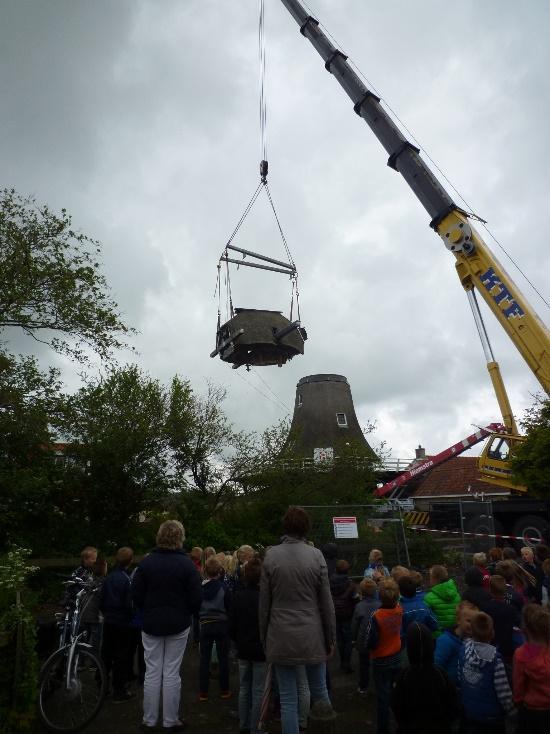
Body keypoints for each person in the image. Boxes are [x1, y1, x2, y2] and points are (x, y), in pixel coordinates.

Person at [259, 506, 335, 734]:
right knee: (320, 690)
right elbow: (327, 603)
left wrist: (265, 639)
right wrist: (330, 637)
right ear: (306, 528)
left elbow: (264, 606)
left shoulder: (271, 555)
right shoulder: (316, 555)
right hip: (312, 635)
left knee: (289, 699)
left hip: (280, 635)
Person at [131, 520, 202, 732]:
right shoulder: (188, 565)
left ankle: (149, 720)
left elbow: (136, 595)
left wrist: (147, 611)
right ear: (180, 538)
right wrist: (187, 612)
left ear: (159, 536)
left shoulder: (146, 563)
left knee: (152, 671)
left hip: (151, 623)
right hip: (178, 624)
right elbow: (197, 598)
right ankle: (171, 720)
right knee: (171, 672)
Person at [391, 622, 459, 734]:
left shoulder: (404, 675)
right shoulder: (440, 673)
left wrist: (404, 725)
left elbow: (396, 705)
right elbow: (453, 704)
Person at [458, 611, 515, 734]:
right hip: (491, 718)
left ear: (471, 631)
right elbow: (503, 693)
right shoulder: (495, 660)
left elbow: (460, 676)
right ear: (492, 633)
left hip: (469, 712)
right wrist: (513, 713)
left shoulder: (463, 649)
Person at [360, 578, 403, 734]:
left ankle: (383, 729)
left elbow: (370, 640)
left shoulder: (376, 615)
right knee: (396, 691)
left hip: (381, 659)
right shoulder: (399, 609)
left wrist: (366, 647)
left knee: (382, 696)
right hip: (397, 656)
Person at [228, 558, 267, 734]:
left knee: (244, 687)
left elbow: (232, 624)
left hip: (243, 648)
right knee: (258, 689)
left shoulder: (238, 596)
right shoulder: (265, 599)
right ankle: (255, 728)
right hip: (260, 649)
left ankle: (244, 724)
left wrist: (237, 641)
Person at [100, 546, 135, 703]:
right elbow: (129, 604)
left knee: (106, 653)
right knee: (121, 656)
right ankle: (119, 690)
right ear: (130, 561)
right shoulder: (126, 580)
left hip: (109, 621)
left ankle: (101, 684)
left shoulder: (108, 577)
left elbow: (102, 600)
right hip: (122, 622)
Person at [198, 556, 232, 702]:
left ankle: (203, 692)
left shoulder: (200, 588)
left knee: (204, 659)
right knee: (223, 658)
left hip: (205, 624)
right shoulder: (224, 588)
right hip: (222, 624)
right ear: (220, 571)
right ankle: (224, 689)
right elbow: (230, 606)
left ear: (205, 571)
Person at [513, 604, 550, 733]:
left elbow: (518, 684)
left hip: (533, 709)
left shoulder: (522, 654)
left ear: (525, 629)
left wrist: (518, 702)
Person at [434, 600, 478, 687]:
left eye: (475, 621)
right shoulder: (446, 641)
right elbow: (436, 667)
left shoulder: (474, 640)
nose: (473, 625)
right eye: (469, 621)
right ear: (458, 620)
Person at [484, 575, 522, 670]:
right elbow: (519, 623)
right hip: (508, 645)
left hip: (492, 645)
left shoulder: (486, 608)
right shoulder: (511, 609)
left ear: (490, 590)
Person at [351, 578, 380, 693]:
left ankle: (363, 686)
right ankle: (379, 684)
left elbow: (354, 626)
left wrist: (353, 640)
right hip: (378, 640)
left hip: (363, 641)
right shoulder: (380, 605)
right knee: (378, 663)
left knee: (364, 665)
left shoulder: (359, 606)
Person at [329, 559, 358, 673]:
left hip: (335, 614)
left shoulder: (329, 582)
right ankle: (346, 662)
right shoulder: (351, 584)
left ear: (336, 569)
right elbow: (355, 600)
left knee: (340, 639)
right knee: (348, 640)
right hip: (347, 615)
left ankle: (342, 662)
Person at [424, 565, 461, 635]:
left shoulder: (428, 597)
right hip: (455, 633)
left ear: (435, 579)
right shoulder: (457, 595)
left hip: (438, 635)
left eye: (430, 577)